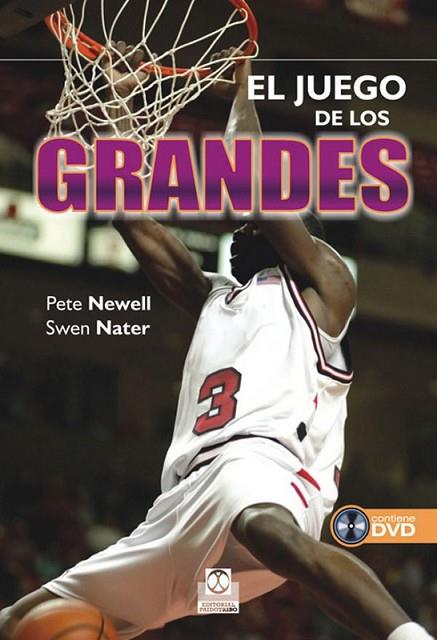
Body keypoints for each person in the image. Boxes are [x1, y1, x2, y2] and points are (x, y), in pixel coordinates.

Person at [0, 50, 432, 640]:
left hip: (269, 474)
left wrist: (243, 90)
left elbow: (249, 177)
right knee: (23, 619)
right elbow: (132, 218)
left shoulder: (325, 286)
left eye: (257, 223)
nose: (243, 226)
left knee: (265, 528)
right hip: (180, 508)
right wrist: (116, 110)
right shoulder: (215, 300)